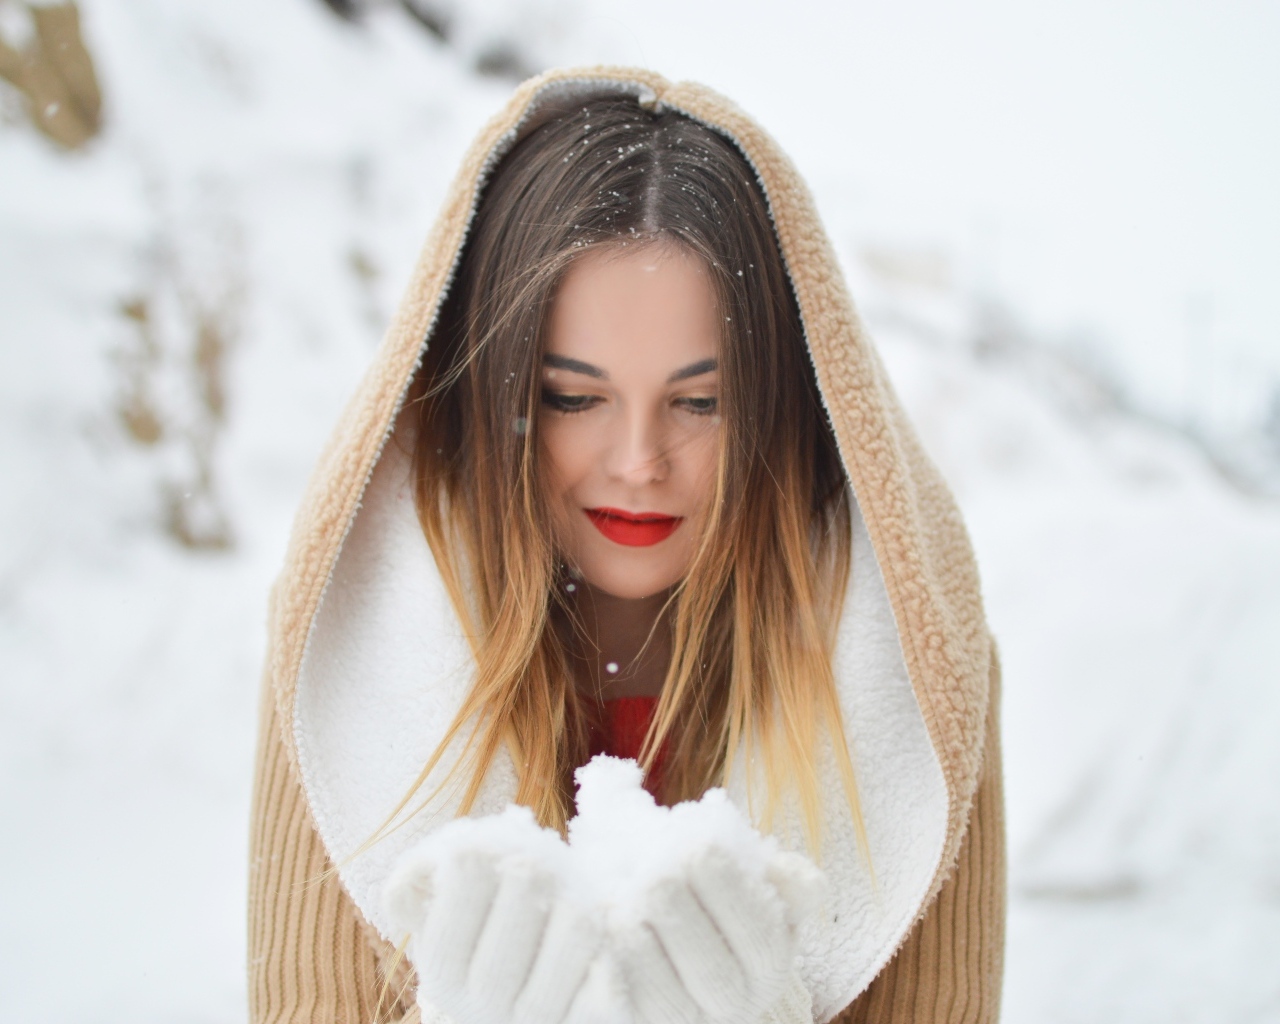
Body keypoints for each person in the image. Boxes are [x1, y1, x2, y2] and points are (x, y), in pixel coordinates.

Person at [248, 67, 1006, 1024]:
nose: (640, 462)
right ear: (496, 395)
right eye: (574, 397)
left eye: (700, 402)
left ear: (782, 407)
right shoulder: (348, 648)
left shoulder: (910, 676)